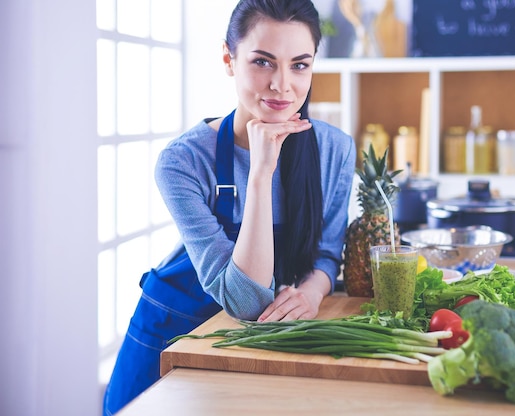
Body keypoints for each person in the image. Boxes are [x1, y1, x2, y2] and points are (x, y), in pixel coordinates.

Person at [102, 0, 356, 414]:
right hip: (171, 343)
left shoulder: (334, 150)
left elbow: (327, 253)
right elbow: (246, 301)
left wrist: (311, 293)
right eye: (262, 62)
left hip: (258, 348)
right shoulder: (183, 161)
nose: (282, 85)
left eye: (299, 65)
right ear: (228, 59)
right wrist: (260, 174)